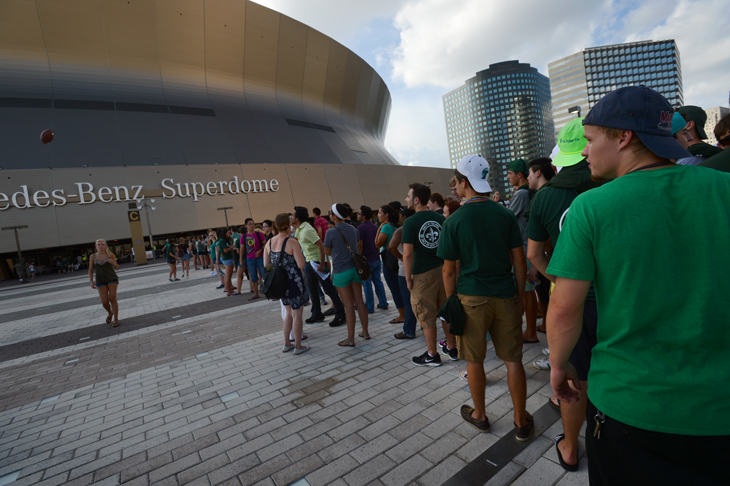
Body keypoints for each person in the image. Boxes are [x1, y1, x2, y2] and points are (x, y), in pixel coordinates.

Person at [548, 86, 729, 485]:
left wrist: (559, 366)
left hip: (631, 406)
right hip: (719, 409)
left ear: (623, 137)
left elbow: (564, 308)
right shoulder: (723, 189)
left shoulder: (592, 207)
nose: (585, 151)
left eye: (591, 140)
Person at [438, 155, 532, 440]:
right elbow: (519, 262)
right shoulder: (503, 215)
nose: (455, 187)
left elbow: (448, 270)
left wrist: (451, 299)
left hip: (471, 298)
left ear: (465, 182)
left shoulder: (455, 221)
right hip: (504, 295)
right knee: (513, 360)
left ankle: (480, 415)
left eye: (456, 182)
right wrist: (517, 296)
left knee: (474, 360)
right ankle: (520, 420)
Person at [527, 119, 602, 471]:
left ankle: (571, 448)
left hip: (571, 301)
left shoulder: (545, 196)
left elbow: (534, 254)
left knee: (573, 377)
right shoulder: (611, 181)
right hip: (615, 297)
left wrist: (561, 278)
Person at [403, 183, 453, 366]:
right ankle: (452, 347)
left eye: (408, 196)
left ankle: (432, 354)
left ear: (416, 200)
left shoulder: (410, 222)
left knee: (425, 314)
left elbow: (407, 254)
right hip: (443, 270)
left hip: (423, 274)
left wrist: (408, 278)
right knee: (444, 312)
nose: (406, 199)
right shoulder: (440, 218)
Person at [264, 213, 310, 355]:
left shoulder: (269, 242)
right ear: (288, 224)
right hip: (294, 281)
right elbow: (301, 263)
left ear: (275, 226)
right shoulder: (291, 242)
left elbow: (267, 264)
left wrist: (280, 264)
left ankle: (286, 343)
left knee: (288, 313)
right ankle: (298, 345)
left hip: (281, 282)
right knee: (297, 314)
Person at [293, 206, 346, 326]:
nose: (291, 216)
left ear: (297, 218)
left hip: (316, 262)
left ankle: (340, 313)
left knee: (328, 288)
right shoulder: (299, 229)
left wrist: (323, 263)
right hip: (308, 262)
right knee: (311, 289)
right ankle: (317, 313)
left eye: (292, 214)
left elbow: (321, 246)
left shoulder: (307, 229)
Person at [325, 203, 369, 346]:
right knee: (359, 301)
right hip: (355, 269)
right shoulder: (352, 228)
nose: (329, 214)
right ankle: (365, 332)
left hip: (340, 270)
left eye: (330, 212)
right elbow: (356, 246)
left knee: (349, 305)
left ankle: (350, 338)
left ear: (335, 215)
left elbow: (326, 252)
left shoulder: (330, 232)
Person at [506, 158, 539, 345]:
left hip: (525, 248)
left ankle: (531, 332)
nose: (508, 177)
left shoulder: (521, 194)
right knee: (530, 291)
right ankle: (532, 329)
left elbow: (508, 219)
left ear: (520, 175)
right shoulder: (530, 192)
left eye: (510, 173)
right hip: (530, 246)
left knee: (527, 292)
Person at [388, 208, 418, 339]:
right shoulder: (419, 227)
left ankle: (409, 330)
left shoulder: (401, 230)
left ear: (405, 217)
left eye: (400, 216)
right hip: (420, 268)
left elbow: (390, 247)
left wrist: (401, 257)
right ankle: (424, 324)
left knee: (408, 301)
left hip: (404, 270)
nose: (399, 218)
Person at [375, 205, 405, 324]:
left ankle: (402, 315)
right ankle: (405, 313)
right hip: (398, 261)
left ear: (386, 214)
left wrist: (379, 229)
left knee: (395, 290)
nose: (378, 215)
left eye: (379, 213)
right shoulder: (395, 226)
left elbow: (377, 244)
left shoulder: (386, 227)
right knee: (400, 289)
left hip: (389, 263)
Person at [357, 205, 389, 313]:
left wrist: (359, 259)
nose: (357, 215)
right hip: (376, 257)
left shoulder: (360, 228)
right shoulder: (375, 227)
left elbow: (360, 245)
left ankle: (370, 307)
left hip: (366, 259)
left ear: (364, 216)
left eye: (359, 213)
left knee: (367, 284)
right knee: (378, 282)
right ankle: (383, 302)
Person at [88, 239, 121, 327]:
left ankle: (116, 319)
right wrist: (91, 281)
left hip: (112, 278)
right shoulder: (92, 256)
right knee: (104, 302)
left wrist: (113, 262)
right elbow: (90, 269)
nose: (101, 246)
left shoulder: (110, 255)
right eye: (99, 244)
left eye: (103, 244)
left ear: (105, 246)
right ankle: (110, 313)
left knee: (112, 298)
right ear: (96, 246)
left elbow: (117, 267)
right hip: (100, 280)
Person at [242, 218, 267, 300]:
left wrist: (260, 251)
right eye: (249, 224)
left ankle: (267, 292)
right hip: (250, 259)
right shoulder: (244, 236)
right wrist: (241, 259)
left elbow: (265, 245)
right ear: (246, 226)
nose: (252, 225)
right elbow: (242, 248)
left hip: (260, 257)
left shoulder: (259, 234)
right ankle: (256, 293)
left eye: (253, 224)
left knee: (263, 275)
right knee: (253, 277)